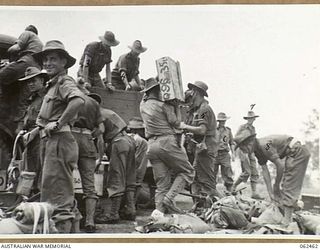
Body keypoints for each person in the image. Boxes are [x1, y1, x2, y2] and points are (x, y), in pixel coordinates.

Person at [34, 40, 85, 233]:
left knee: (56, 197)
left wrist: (58, 123)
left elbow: (78, 101)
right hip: (53, 142)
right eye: (45, 59)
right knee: (59, 192)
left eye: (53, 59)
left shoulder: (64, 81)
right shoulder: (52, 84)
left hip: (58, 141)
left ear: (64, 62)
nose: (47, 63)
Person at [140, 77, 195, 214]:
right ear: (158, 90)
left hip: (151, 145)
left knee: (161, 185)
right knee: (188, 171)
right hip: (167, 142)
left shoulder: (143, 105)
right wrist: (175, 105)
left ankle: (158, 216)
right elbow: (176, 123)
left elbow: (144, 96)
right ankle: (169, 199)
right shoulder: (164, 106)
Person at [245, 134, 310, 226]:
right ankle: (290, 215)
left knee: (289, 184)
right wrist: (271, 193)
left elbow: (280, 166)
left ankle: (287, 221)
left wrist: (276, 186)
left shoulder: (265, 146)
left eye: (244, 145)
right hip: (294, 152)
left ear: (252, 142)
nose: (243, 149)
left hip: (297, 151)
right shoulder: (258, 151)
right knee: (286, 185)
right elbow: (265, 171)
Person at [180, 81, 222, 199]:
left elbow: (202, 130)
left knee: (207, 182)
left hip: (206, 149)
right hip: (200, 149)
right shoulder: (198, 110)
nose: (190, 93)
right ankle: (200, 206)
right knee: (197, 179)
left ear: (196, 92)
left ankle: (224, 205)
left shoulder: (204, 110)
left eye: (192, 90)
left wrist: (185, 126)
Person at [71, 85, 104, 233]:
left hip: (70, 137)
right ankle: (90, 221)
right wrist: (91, 136)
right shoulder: (94, 103)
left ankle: (70, 217)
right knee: (89, 185)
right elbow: (101, 129)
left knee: (66, 180)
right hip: (87, 139)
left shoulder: (72, 98)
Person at [96, 108, 136, 223]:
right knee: (129, 178)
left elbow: (100, 139)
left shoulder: (96, 114)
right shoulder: (107, 112)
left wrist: (99, 158)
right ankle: (130, 210)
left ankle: (113, 214)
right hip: (128, 140)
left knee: (116, 179)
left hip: (118, 142)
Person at [17, 66, 48, 194]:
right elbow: (27, 118)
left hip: (41, 136)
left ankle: (37, 201)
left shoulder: (47, 97)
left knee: (40, 171)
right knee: (29, 171)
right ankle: (29, 200)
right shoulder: (32, 99)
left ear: (41, 80)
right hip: (29, 138)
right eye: (28, 81)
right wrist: (22, 130)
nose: (30, 84)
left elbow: (49, 118)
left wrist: (34, 132)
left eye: (33, 80)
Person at [233, 111, 262, 199]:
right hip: (242, 150)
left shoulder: (253, 128)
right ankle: (233, 186)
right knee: (247, 172)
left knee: (254, 172)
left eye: (252, 118)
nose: (250, 120)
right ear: (247, 119)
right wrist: (243, 137)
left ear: (254, 119)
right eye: (249, 118)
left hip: (251, 150)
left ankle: (254, 193)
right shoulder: (242, 127)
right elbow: (235, 138)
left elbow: (253, 140)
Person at [213, 112, 235, 192]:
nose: (222, 122)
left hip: (225, 154)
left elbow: (232, 143)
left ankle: (230, 191)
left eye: (224, 121)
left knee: (227, 173)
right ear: (218, 121)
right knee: (212, 173)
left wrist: (233, 154)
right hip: (215, 154)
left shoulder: (228, 131)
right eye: (221, 121)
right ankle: (212, 192)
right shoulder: (213, 130)